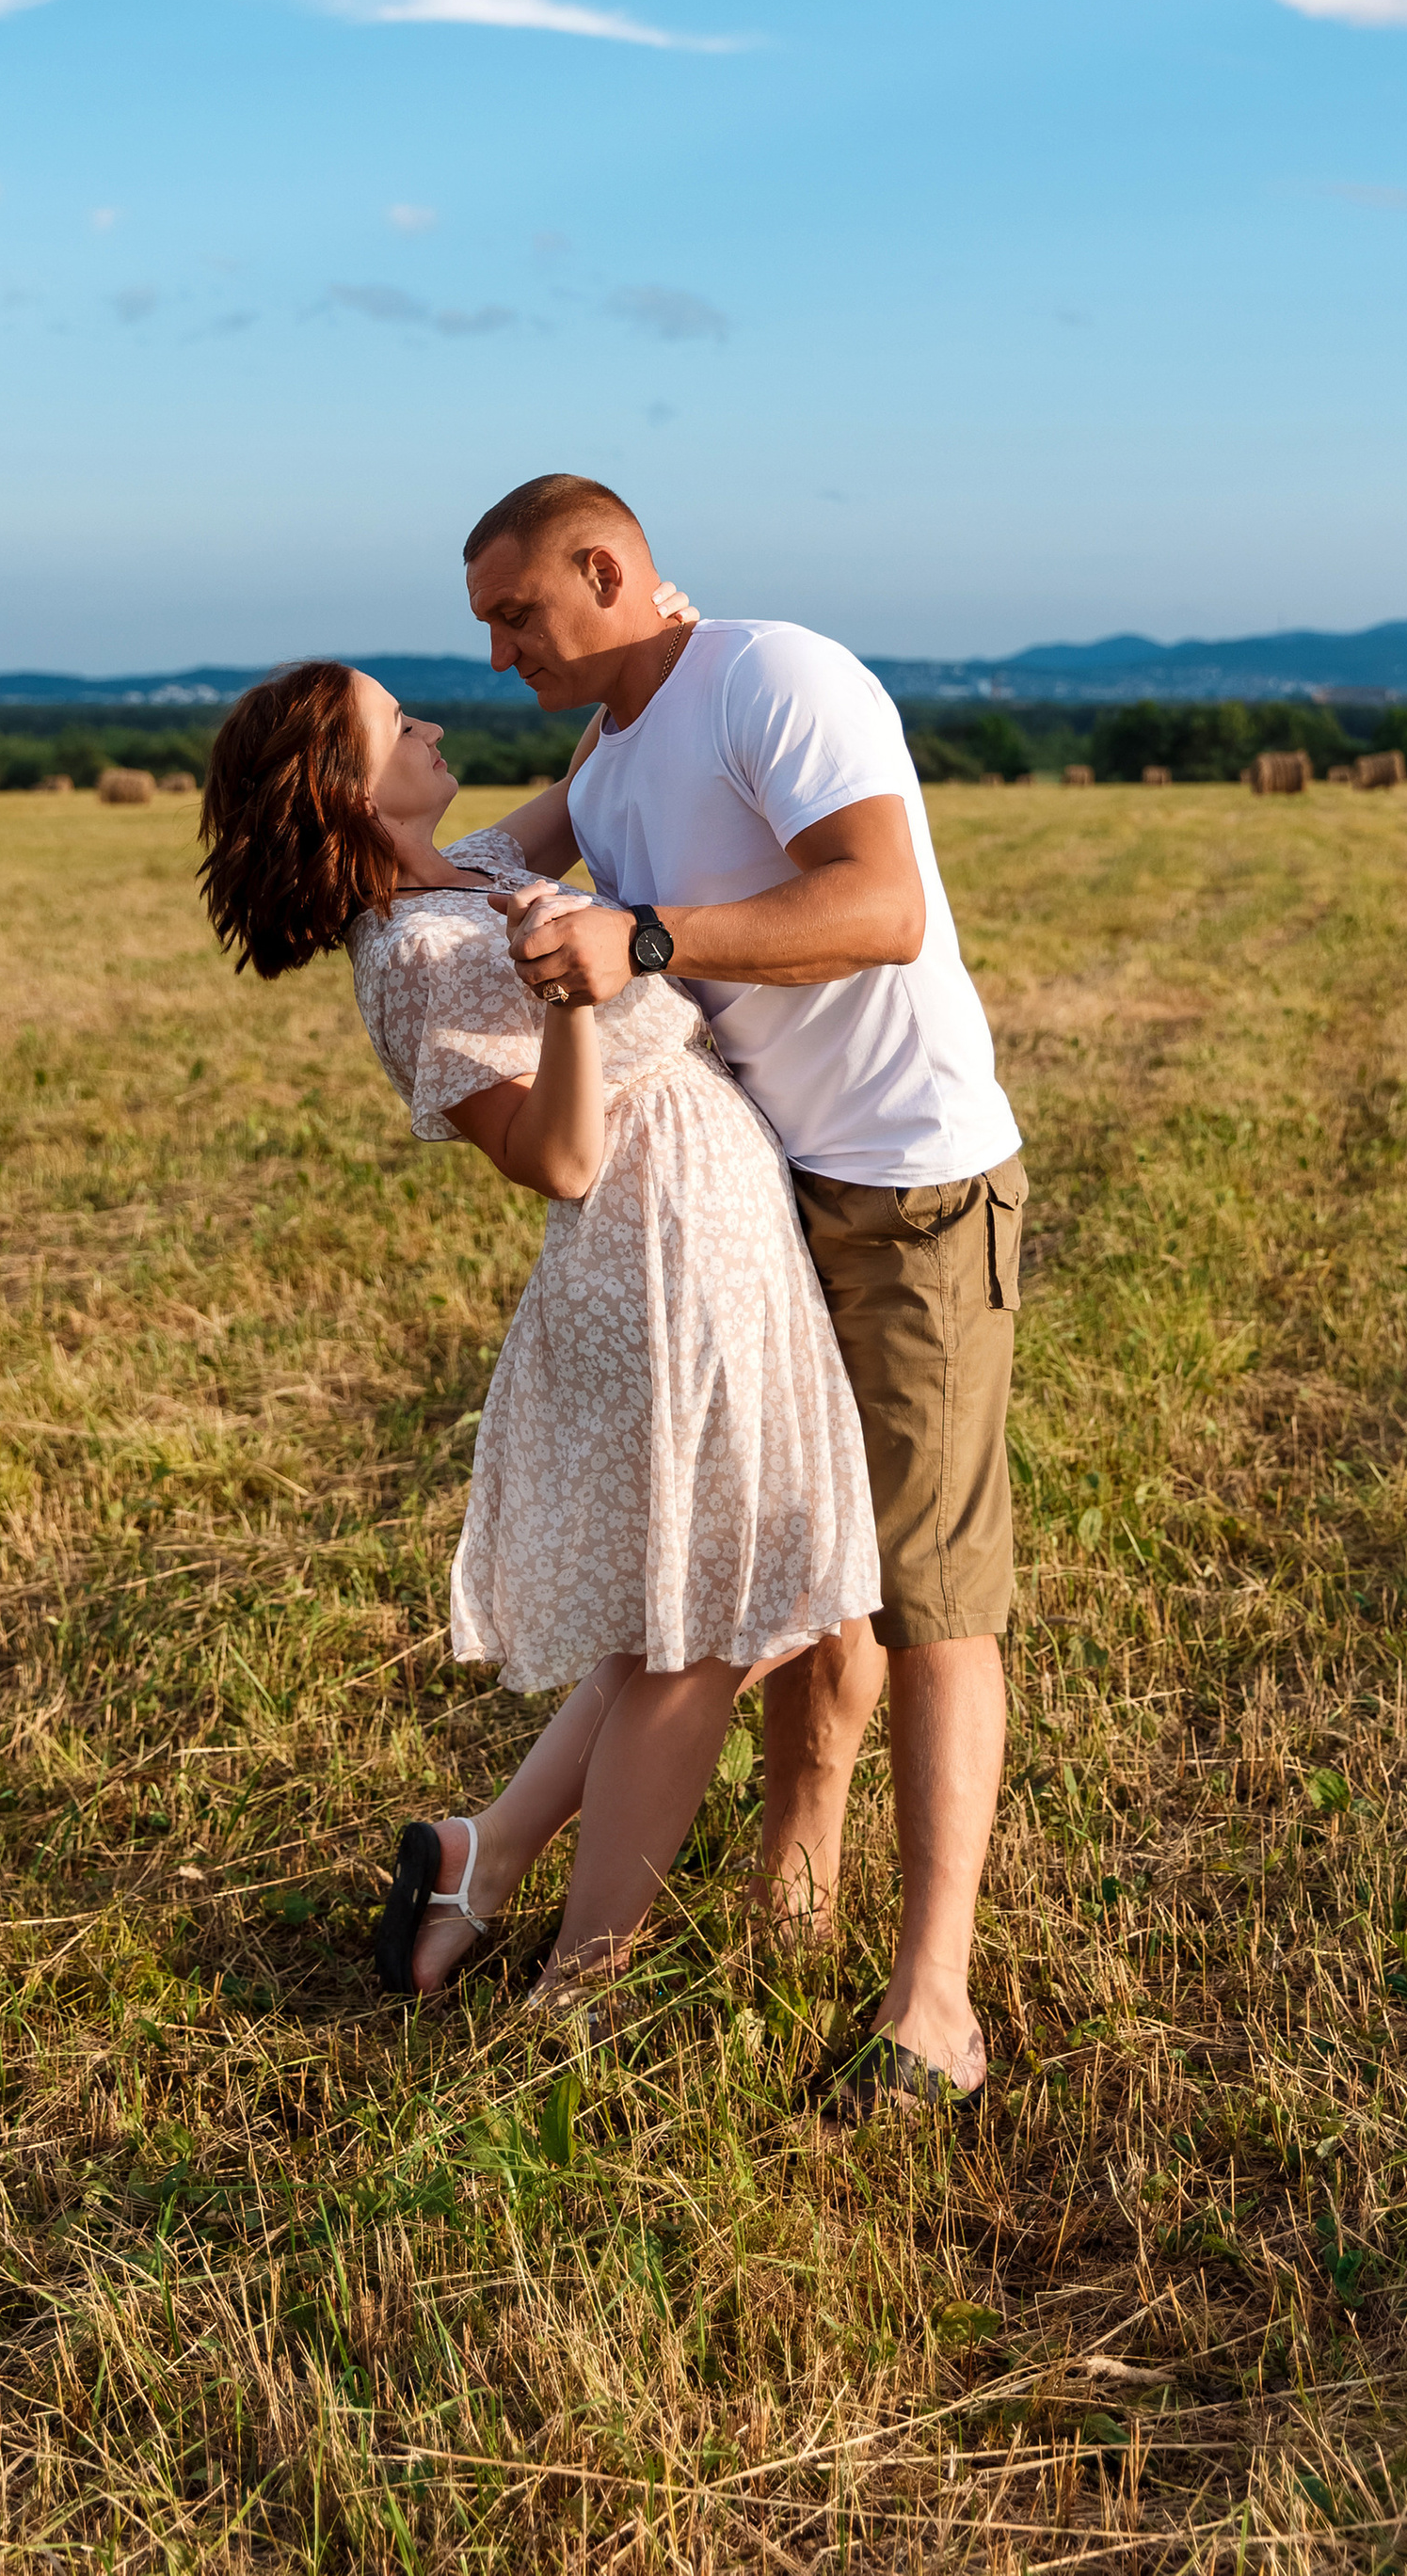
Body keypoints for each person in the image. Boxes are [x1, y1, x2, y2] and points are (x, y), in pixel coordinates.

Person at [194, 636, 880, 2008]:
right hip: (658, 1260)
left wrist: (659, 654)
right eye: (399, 726)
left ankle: (478, 1861)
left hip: (717, 1233)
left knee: (683, 1612)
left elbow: (589, 774)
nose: (434, 727)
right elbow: (558, 1159)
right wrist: (580, 997)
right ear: (346, 785)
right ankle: (581, 1982)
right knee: (711, 1626)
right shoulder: (407, 952)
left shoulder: (480, 871)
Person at [467, 473, 1026, 2115]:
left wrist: (643, 939)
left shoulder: (771, 677)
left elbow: (881, 902)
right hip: (772, 1193)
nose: (501, 654)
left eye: (519, 615)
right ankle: (797, 1887)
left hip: (912, 1190)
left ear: (607, 568)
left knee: (930, 1603)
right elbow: (479, 860)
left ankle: (938, 2008)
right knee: (797, 1566)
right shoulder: (610, 744)